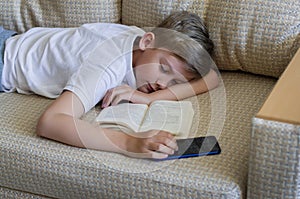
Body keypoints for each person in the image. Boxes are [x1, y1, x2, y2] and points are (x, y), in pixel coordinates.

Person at [0, 11, 219, 159]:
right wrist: (129, 143)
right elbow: (50, 122)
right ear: (146, 42)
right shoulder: (106, 63)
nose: (163, 84)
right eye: (163, 68)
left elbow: (212, 77)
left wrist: (150, 98)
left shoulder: (147, 43)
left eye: (175, 82)